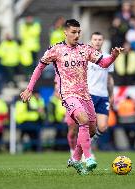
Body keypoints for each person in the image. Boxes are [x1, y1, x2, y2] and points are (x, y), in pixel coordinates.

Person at [20, 19, 123, 175]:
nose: (76, 35)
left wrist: (114, 56)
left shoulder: (85, 49)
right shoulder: (56, 50)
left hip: (85, 95)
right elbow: (39, 67)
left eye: (78, 32)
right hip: (68, 94)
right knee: (82, 120)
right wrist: (29, 89)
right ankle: (88, 158)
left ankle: (75, 158)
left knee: (92, 130)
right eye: (73, 32)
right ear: (66, 32)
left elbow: (104, 63)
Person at [67, 31, 115, 156]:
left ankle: (86, 144)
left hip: (103, 95)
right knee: (85, 125)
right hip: (89, 94)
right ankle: (82, 150)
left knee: (103, 127)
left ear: (103, 41)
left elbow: (109, 78)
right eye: (95, 39)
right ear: (91, 41)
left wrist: (112, 94)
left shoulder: (107, 57)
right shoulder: (85, 56)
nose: (97, 42)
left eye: (100, 39)